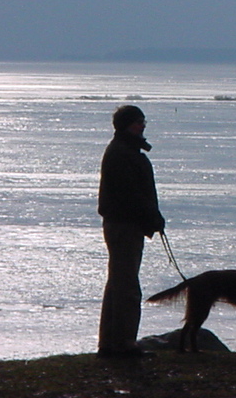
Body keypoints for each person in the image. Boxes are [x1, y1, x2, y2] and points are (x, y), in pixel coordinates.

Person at [97, 104, 166, 358]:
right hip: (124, 226)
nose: (143, 125)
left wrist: (151, 217)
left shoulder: (125, 150)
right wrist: (152, 217)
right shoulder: (121, 152)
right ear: (126, 125)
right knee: (126, 285)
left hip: (125, 224)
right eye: (138, 121)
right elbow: (131, 195)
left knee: (118, 282)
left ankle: (111, 343)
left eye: (143, 121)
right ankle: (124, 343)